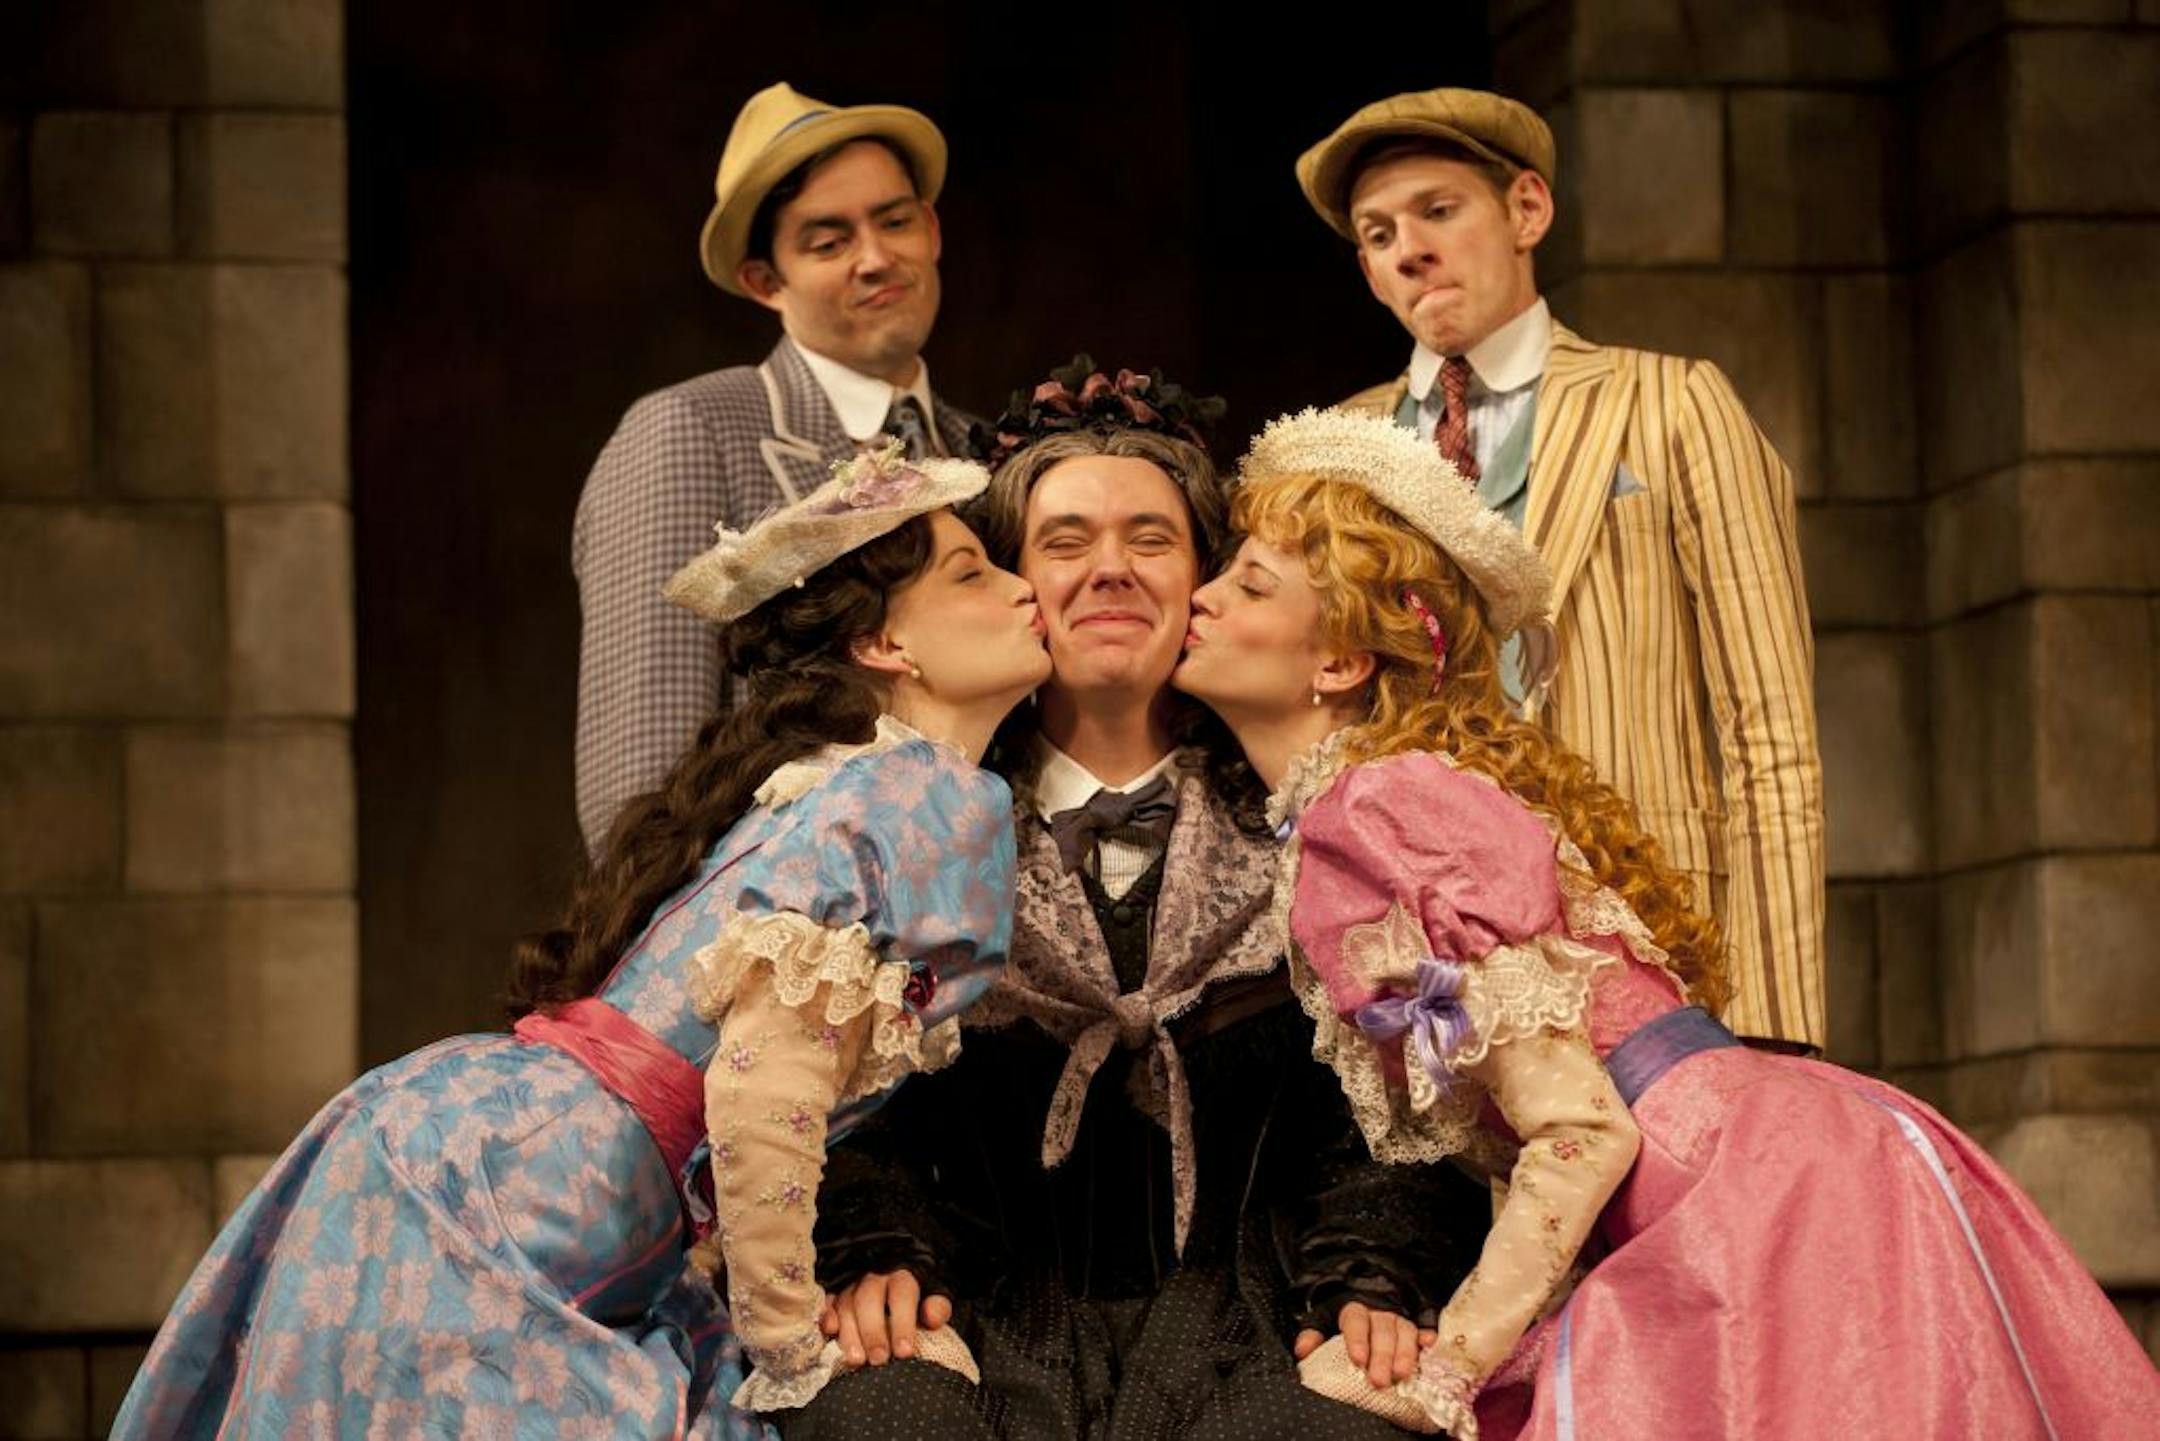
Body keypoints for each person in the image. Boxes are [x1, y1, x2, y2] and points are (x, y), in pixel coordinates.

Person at [1174, 407, 2160, 1438]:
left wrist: (1452, 1365)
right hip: (1733, 1174)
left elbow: (1580, 1127)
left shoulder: (1386, 809)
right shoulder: (1362, 810)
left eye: (1249, 583)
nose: (1203, 595)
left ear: (1338, 663)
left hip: (1746, 1193)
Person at [113, 448, 1050, 1438]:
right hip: (511, 1202)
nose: (1020, 587)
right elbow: (761, 1088)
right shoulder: (923, 791)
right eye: (971, 573)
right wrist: (788, 1345)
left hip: (467, 1149)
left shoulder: (827, 784)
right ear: (883, 643)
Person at [786, 361, 1483, 1441]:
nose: (1110, 568)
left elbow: (1406, 1105)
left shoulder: (1327, 831)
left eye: (1150, 538)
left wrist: (1371, 1275)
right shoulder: (905, 832)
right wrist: (879, 1244)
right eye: (1064, 541)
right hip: (984, 1301)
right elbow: (833, 1097)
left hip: (1256, 1311)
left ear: (1205, 579)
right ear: (1011, 581)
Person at [1298, 86, 1825, 1052]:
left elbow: (1771, 731)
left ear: (1527, 211)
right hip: (1428, 953)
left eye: (1439, 211)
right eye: (1377, 234)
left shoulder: (1668, 404)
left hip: (1650, 930)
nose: (1408, 248)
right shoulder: (1339, 447)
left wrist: (1776, 1020)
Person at [574, 80, 979, 853]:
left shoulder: (985, 449)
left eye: (894, 221)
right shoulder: (693, 430)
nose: (875, 258)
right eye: (828, 242)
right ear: (766, 279)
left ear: (930, 229)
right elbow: (641, 788)